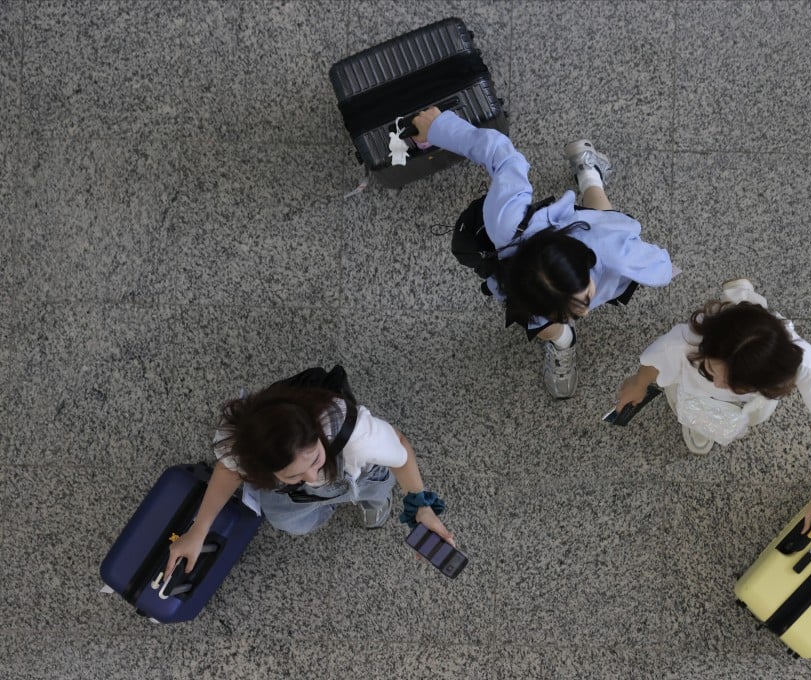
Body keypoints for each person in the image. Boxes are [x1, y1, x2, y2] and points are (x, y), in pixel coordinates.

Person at [411, 106, 678, 399]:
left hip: (595, 233)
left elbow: (503, 156)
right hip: (587, 238)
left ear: (584, 258)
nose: (586, 312)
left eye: (582, 299)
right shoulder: (510, 227)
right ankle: (562, 343)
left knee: (601, 214)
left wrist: (441, 128)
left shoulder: (607, 247)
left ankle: (589, 171)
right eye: (573, 308)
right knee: (546, 324)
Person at [615, 279, 811, 538]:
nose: (720, 385)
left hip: (750, 404)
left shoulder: (806, 364)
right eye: (710, 370)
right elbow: (653, 362)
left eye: (736, 385)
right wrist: (638, 384)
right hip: (693, 392)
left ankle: (743, 299)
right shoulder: (681, 343)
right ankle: (744, 299)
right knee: (689, 409)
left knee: (755, 415)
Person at [164, 381, 453, 577]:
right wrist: (198, 531)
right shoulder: (240, 441)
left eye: (314, 459)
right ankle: (325, 501)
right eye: (294, 474)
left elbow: (400, 449)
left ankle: (370, 501)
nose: (314, 476)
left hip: (359, 473)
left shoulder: (357, 437)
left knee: (374, 490)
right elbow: (229, 469)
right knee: (288, 520)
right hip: (296, 495)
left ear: (316, 433)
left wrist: (420, 505)